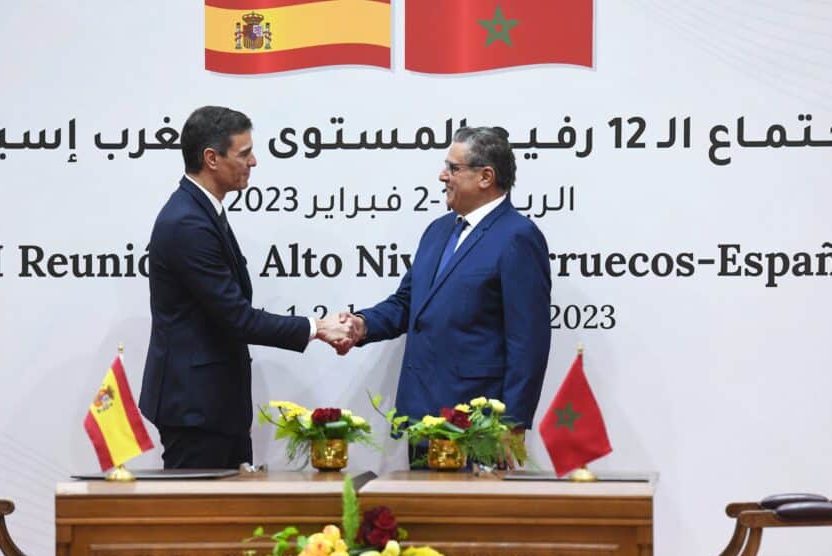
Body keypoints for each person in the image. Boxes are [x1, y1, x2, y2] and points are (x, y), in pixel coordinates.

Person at [139, 106, 355, 469]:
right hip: (195, 409)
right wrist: (318, 328)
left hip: (212, 404)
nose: (253, 161)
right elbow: (237, 318)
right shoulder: (187, 223)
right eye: (243, 153)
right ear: (211, 158)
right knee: (203, 522)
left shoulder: (203, 212)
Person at [339, 126, 552, 463]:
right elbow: (407, 303)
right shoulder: (438, 231)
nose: (443, 176)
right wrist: (362, 324)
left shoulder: (518, 237)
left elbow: (529, 340)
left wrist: (512, 422)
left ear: (485, 176)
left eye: (453, 168)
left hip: (477, 427)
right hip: (423, 419)